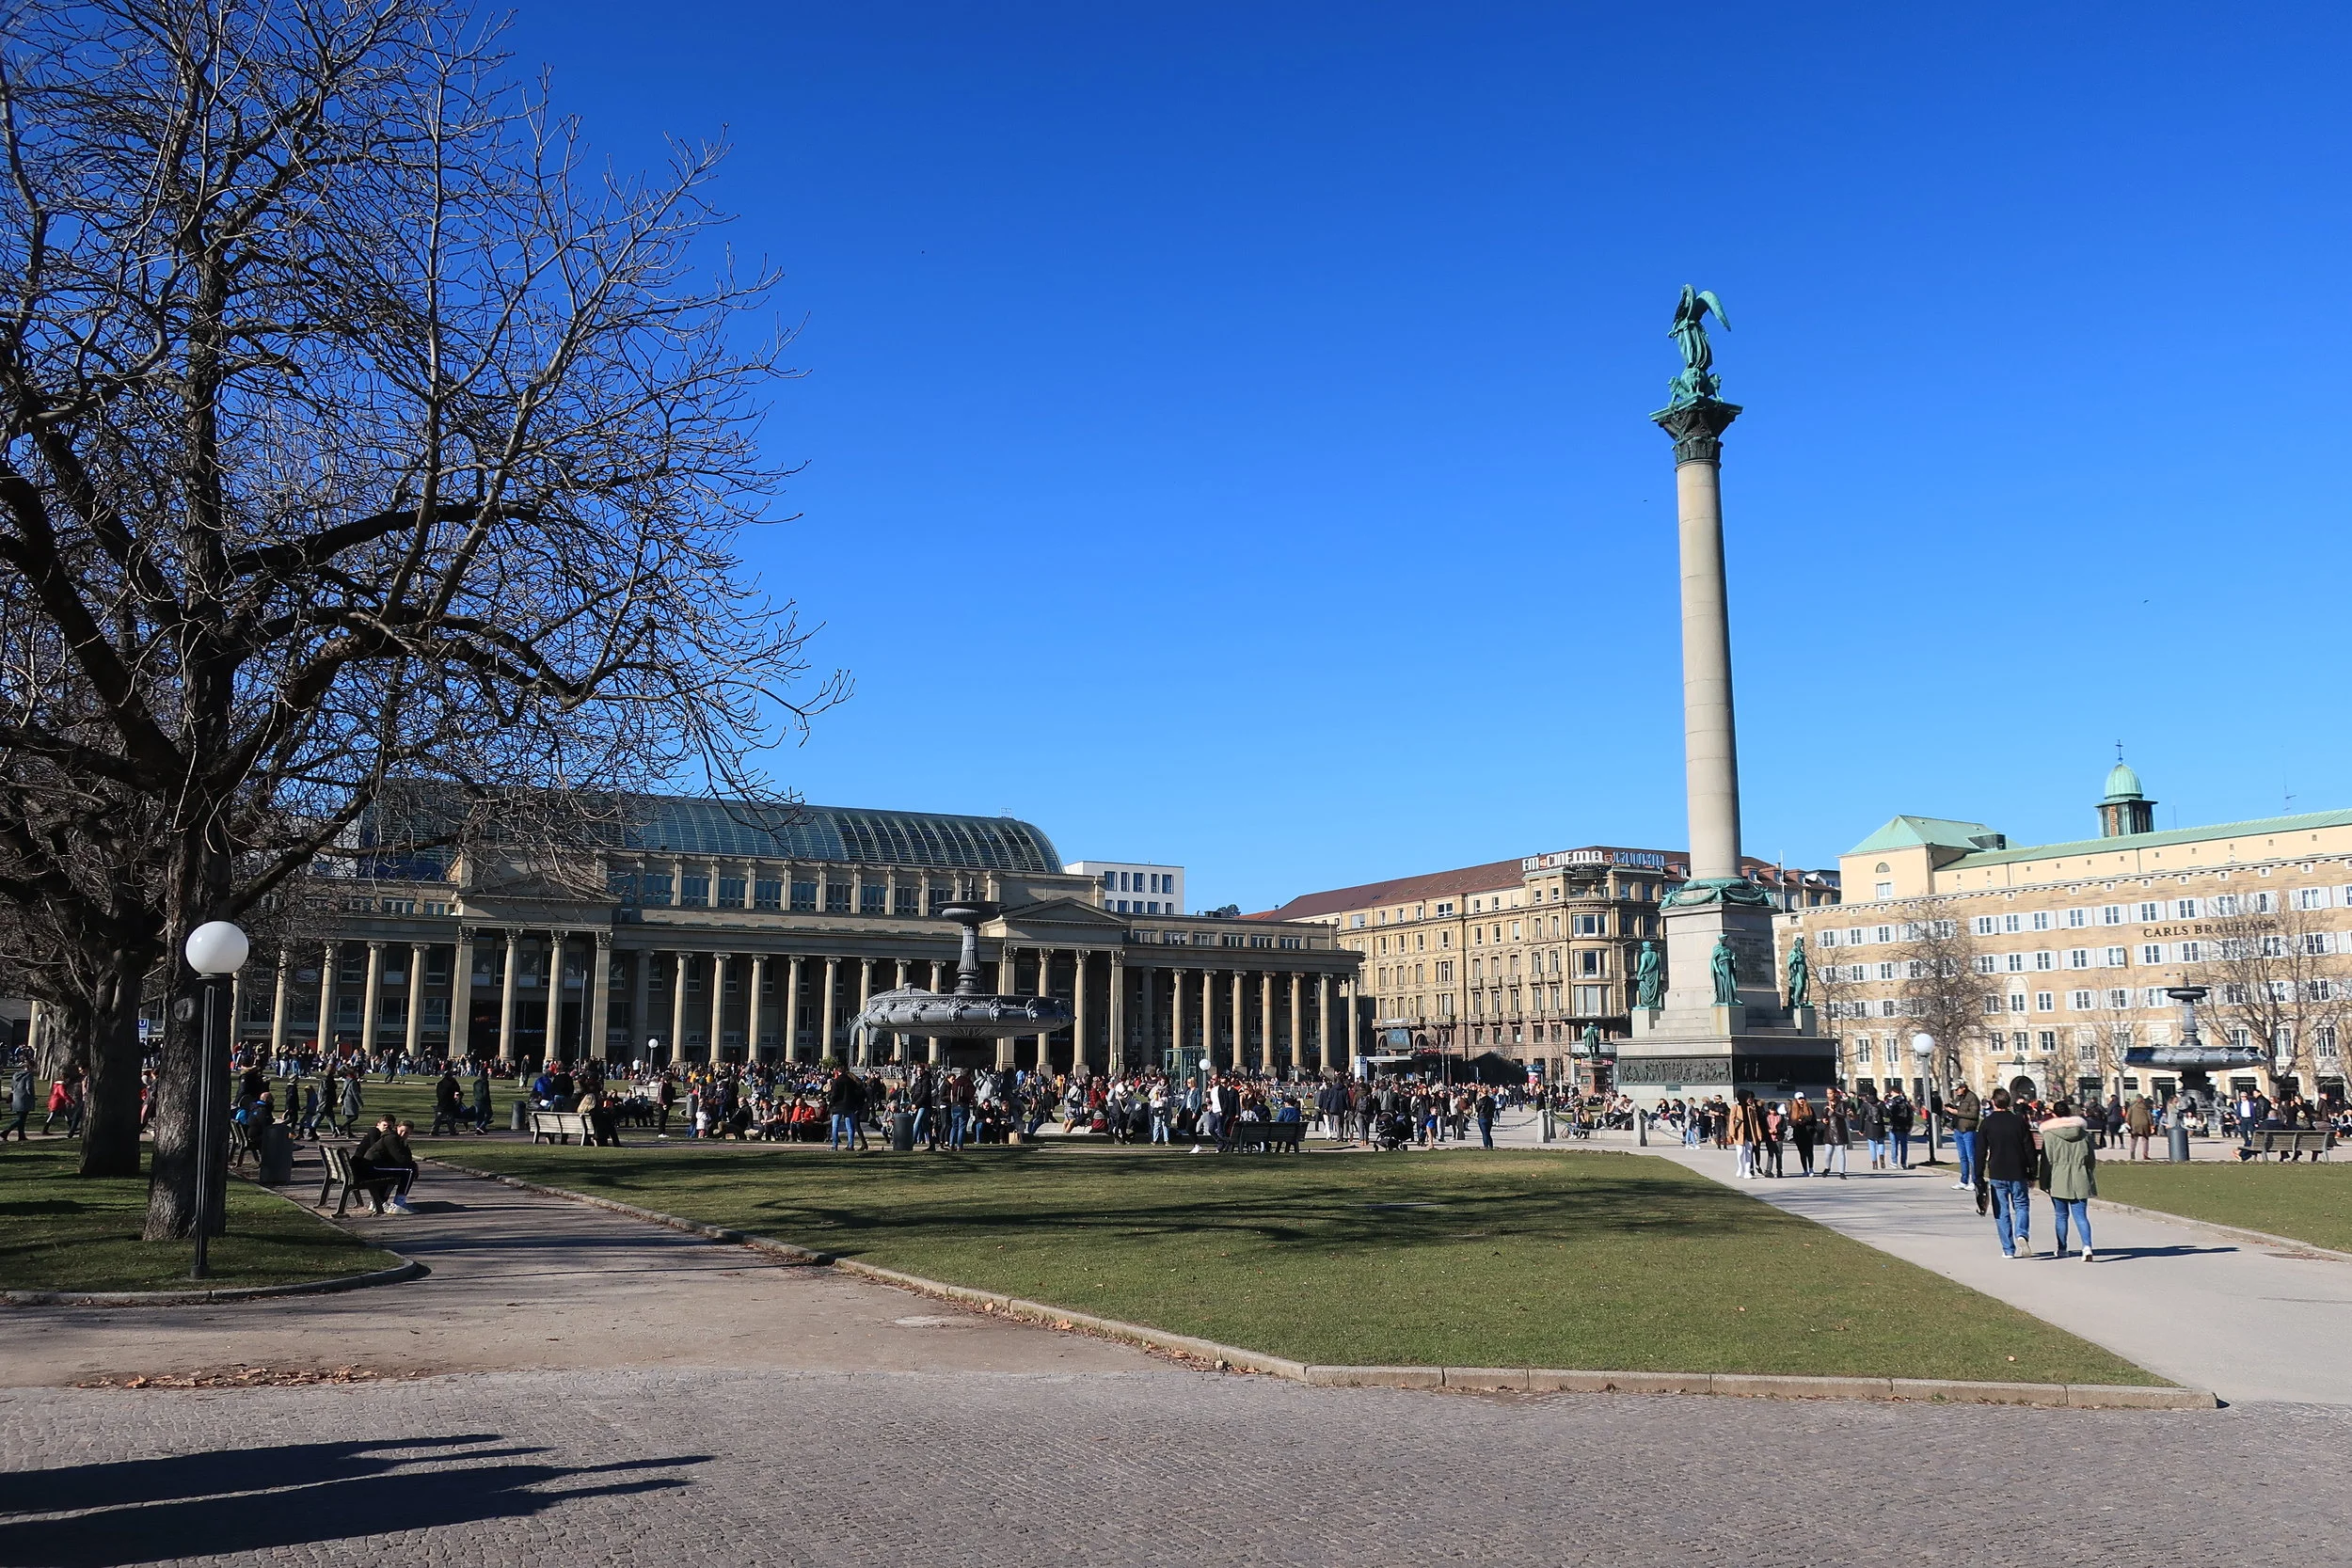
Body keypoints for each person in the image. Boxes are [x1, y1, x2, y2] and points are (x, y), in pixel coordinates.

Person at [1976, 1087, 2035, 1259]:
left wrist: (1978, 1176)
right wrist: (2032, 1172)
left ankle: (2008, 1249)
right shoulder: (2019, 1121)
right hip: (2018, 1170)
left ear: (1993, 1102)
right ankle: (2021, 1233)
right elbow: (2029, 1148)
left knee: (2001, 1211)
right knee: (2022, 1205)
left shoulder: (1987, 1123)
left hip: (1997, 1171)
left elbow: (1980, 1151)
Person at [2040, 1098, 2097, 1260]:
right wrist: (2088, 1172)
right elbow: (2090, 1159)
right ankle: (2087, 1246)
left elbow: (2046, 1161)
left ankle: (2062, 1247)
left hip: (2058, 1176)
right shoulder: (2083, 1134)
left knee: (2061, 1215)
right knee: (2081, 1215)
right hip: (2080, 1175)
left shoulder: (2050, 1135)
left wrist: (2044, 1181)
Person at [351, 1117, 420, 1215]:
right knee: (409, 1170)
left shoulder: (397, 1139)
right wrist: (414, 1165)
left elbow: (404, 1159)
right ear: (397, 1128)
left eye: (406, 1133)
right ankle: (399, 1203)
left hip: (371, 1167)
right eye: (401, 1131)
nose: (403, 1134)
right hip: (370, 1168)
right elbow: (401, 1159)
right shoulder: (391, 1138)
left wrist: (405, 1147)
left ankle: (379, 1201)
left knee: (403, 1170)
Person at [1945, 1082, 1981, 1191]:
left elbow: (1973, 1114)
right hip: (1958, 1129)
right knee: (1962, 1157)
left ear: (1963, 1088)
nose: (1956, 1091)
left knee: (1971, 1157)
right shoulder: (1958, 1099)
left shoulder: (1972, 1098)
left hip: (1968, 1130)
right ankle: (1963, 1180)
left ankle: (1975, 1181)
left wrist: (1956, 1112)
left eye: (1957, 1089)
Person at [1788, 1093, 1818, 1176]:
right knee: (1802, 1152)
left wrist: (1805, 1120)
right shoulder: (1793, 1110)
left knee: (1809, 1151)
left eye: (1802, 1099)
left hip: (1808, 1132)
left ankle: (1811, 1168)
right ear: (1796, 1100)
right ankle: (1805, 1169)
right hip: (1798, 1132)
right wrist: (1797, 1121)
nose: (1801, 1101)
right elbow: (1791, 1122)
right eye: (1799, 1099)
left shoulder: (1809, 1108)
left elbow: (1813, 1120)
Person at [2124, 1092, 2155, 1161]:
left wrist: (2127, 1123)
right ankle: (2145, 1154)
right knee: (2145, 1140)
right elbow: (2149, 1117)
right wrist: (2151, 1125)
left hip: (2134, 1124)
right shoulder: (2146, 1107)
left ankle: (2132, 1154)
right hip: (2144, 1124)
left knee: (2133, 1140)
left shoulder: (2132, 1106)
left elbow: (2128, 1116)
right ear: (2142, 1099)